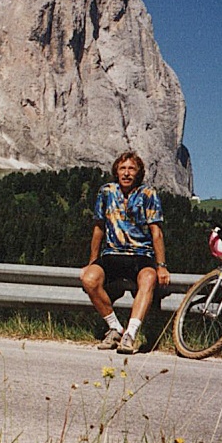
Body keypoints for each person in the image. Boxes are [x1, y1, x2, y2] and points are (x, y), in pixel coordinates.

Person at [80, 151, 170, 354]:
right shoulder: (106, 191)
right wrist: (92, 262)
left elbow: (156, 233)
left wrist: (161, 266)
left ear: (138, 173)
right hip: (112, 254)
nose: (127, 173)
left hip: (141, 255)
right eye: (123, 168)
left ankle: (130, 334)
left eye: (131, 169)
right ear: (116, 171)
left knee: (148, 278)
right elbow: (98, 228)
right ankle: (115, 328)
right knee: (89, 279)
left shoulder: (148, 194)